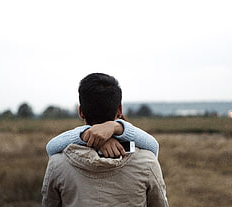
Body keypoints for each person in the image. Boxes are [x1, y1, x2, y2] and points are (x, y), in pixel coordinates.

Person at [42, 73, 169, 207]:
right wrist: (118, 127)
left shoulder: (57, 164)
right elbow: (153, 146)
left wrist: (84, 135)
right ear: (119, 109)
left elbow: (50, 147)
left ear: (80, 111)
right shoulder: (147, 161)